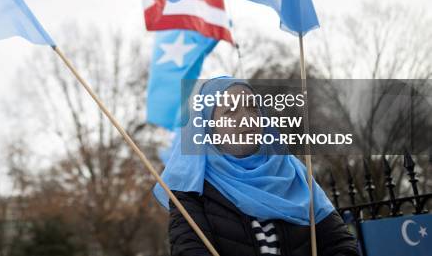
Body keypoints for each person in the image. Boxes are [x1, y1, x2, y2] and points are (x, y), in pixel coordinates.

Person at [154, 76, 359, 256]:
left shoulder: (295, 174)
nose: (247, 118)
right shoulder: (191, 192)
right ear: (207, 128)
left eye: (253, 107)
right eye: (231, 111)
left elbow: (340, 245)